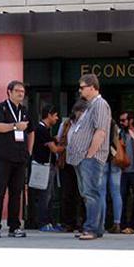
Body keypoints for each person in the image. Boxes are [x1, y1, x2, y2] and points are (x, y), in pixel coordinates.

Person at [0, 80, 35, 238]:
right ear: (9, 92)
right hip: (3, 157)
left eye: (22, 91)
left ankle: (14, 226)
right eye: (17, 91)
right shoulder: (0, 108)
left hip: (20, 157)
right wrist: (15, 126)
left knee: (17, 193)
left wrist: (29, 151)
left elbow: (31, 131)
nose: (21, 94)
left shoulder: (24, 110)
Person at [68, 74, 111, 240]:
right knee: (89, 193)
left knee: (91, 193)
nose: (80, 90)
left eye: (82, 87)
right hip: (82, 158)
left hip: (90, 158)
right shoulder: (90, 106)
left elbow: (100, 132)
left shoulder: (100, 105)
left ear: (92, 87)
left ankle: (91, 229)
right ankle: (96, 228)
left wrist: (90, 154)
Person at [31, 105, 64, 232]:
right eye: (55, 115)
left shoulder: (44, 130)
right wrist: (68, 146)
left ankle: (50, 221)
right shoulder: (41, 129)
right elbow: (54, 149)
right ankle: (43, 222)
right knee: (45, 196)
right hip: (44, 167)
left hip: (48, 166)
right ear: (49, 115)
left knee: (50, 195)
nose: (57, 119)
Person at [57, 99, 88, 233]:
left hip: (81, 161)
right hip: (67, 162)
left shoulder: (87, 125)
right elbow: (59, 139)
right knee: (67, 193)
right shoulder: (65, 124)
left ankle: (82, 222)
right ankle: (68, 222)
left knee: (82, 193)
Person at [118, 111, 134, 230]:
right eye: (120, 120)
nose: (121, 123)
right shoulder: (120, 134)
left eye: (124, 120)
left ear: (131, 121)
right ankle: (122, 223)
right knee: (122, 198)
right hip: (123, 171)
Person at [103, 119, 123, 233]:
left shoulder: (100, 127)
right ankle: (117, 222)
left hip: (103, 160)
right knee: (116, 192)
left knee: (101, 193)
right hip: (116, 161)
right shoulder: (116, 129)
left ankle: (101, 222)